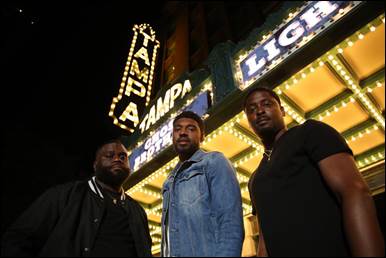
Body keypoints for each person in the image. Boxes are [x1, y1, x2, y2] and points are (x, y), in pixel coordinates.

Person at [243, 87, 385, 257]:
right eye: (252, 110)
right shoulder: (254, 179)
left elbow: (354, 191)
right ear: (248, 121)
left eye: (266, 104)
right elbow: (264, 240)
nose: (259, 111)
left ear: (282, 110)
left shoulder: (310, 132)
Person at [2, 139, 152, 257]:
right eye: (110, 155)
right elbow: (18, 239)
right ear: (95, 165)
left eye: (122, 157)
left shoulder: (137, 210)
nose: (117, 159)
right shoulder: (64, 195)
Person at [161, 111, 244, 257]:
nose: (183, 133)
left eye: (191, 128)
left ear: (202, 136)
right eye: (178, 129)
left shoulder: (214, 162)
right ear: (172, 136)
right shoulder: (168, 181)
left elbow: (230, 223)